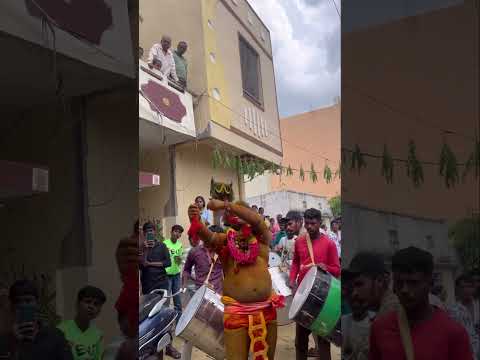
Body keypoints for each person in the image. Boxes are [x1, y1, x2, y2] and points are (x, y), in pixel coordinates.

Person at [187, 199, 284, 360]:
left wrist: (227, 205)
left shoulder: (262, 238)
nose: (236, 215)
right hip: (237, 314)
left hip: (266, 311)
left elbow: (258, 221)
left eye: (242, 211)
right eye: (232, 213)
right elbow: (208, 237)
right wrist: (195, 221)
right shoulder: (225, 241)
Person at [369, 246, 473, 360]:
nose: (404, 290)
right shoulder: (380, 328)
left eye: (413, 282)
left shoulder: (453, 333)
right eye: (399, 283)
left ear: (429, 282)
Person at [289, 208, 340, 360]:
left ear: (319, 223)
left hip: (323, 299)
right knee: (300, 341)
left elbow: (337, 270)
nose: (309, 226)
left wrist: (327, 268)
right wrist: (292, 280)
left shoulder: (329, 244)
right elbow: (296, 262)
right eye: (307, 223)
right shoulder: (299, 241)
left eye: (313, 223)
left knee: (323, 341)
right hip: (303, 297)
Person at [0, 280, 73, 359]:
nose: (23, 305)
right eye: (18, 302)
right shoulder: (4, 342)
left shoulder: (55, 335)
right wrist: (15, 345)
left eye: (28, 301)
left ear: (37, 304)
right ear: (12, 307)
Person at [344, 252, 400, 318]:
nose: (354, 293)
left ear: (380, 281)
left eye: (359, 284)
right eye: (351, 287)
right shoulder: (385, 309)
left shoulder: (390, 311)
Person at [57, 286, 106, 360]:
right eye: (88, 301)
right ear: (77, 304)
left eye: (96, 304)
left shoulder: (98, 335)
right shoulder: (61, 330)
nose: (91, 307)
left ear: (99, 311)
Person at [342, 275, 375, 360]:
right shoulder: (343, 322)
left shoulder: (376, 321)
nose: (356, 304)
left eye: (361, 301)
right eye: (353, 301)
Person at [447, 274, 479, 359]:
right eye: (463, 287)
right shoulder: (452, 310)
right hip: (465, 353)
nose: (466, 290)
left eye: (469, 287)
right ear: (457, 289)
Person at [141, 222, 171, 295]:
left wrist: (150, 263)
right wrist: (145, 250)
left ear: (154, 232)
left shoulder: (162, 246)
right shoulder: (141, 247)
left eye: (151, 230)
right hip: (148, 284)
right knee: (149, 306)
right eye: (147, 231)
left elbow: (168, 263)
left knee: (162, 305)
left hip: (162, 282)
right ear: (144, 233)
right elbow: (142, 265)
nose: (149, 232)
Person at [163, 225, 184, 316]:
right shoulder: (164, 243)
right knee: (166, 298)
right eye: (175, 231)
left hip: (176, 275)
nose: (177, 233)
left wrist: (179, 259)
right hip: (166, 275)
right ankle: (164, 316)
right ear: (171, 232)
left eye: (179, 232)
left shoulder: (180, 245)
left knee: (177, 297)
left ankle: (179, 316)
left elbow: (178, 262)